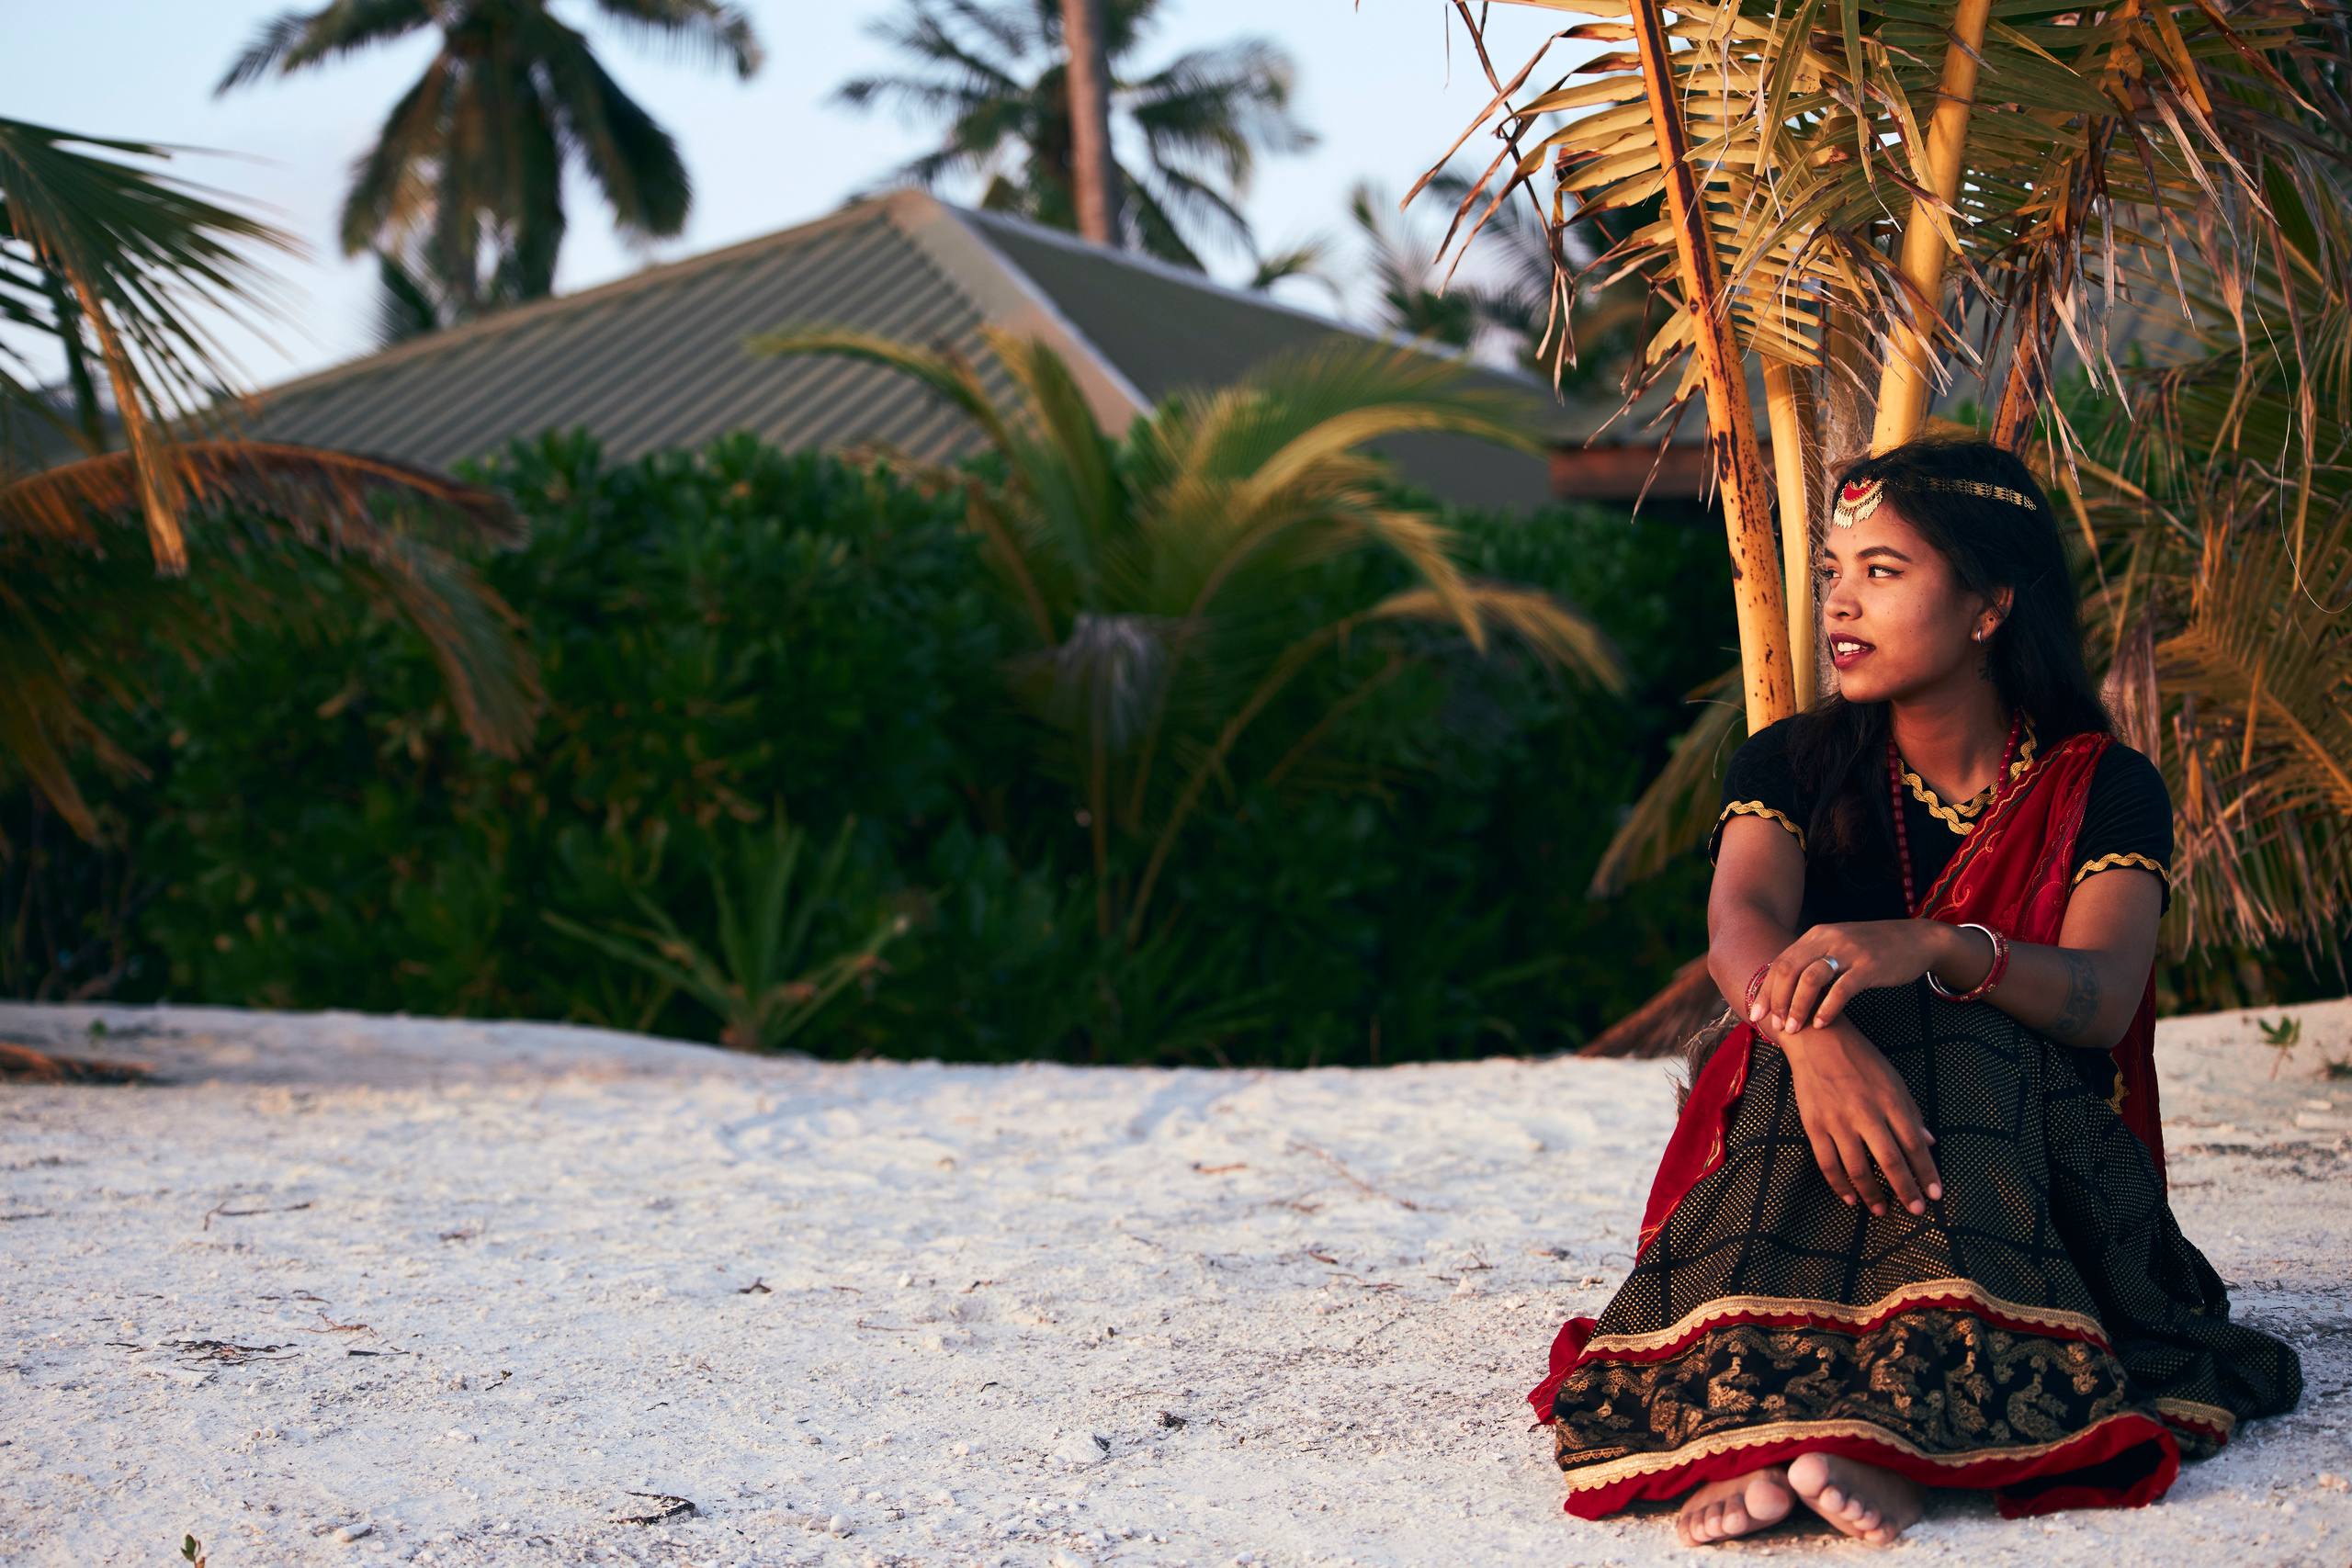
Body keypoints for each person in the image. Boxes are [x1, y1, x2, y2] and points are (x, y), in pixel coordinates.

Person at [1528, 437, 2301, 1545]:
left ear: (1989, 604)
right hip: (1812, 1121)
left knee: (1961, 1032)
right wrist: (1811, 1042)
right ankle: (1799, 1426)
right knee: (1842, 1034)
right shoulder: (1790, 762)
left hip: (2031, 1158)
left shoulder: (2103, 787)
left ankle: (1873, 1445)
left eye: (1882, 571)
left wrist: (1940, 945)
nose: (1839, 602)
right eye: (1833, 570)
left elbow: (2103, 998)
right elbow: (1738, 926)